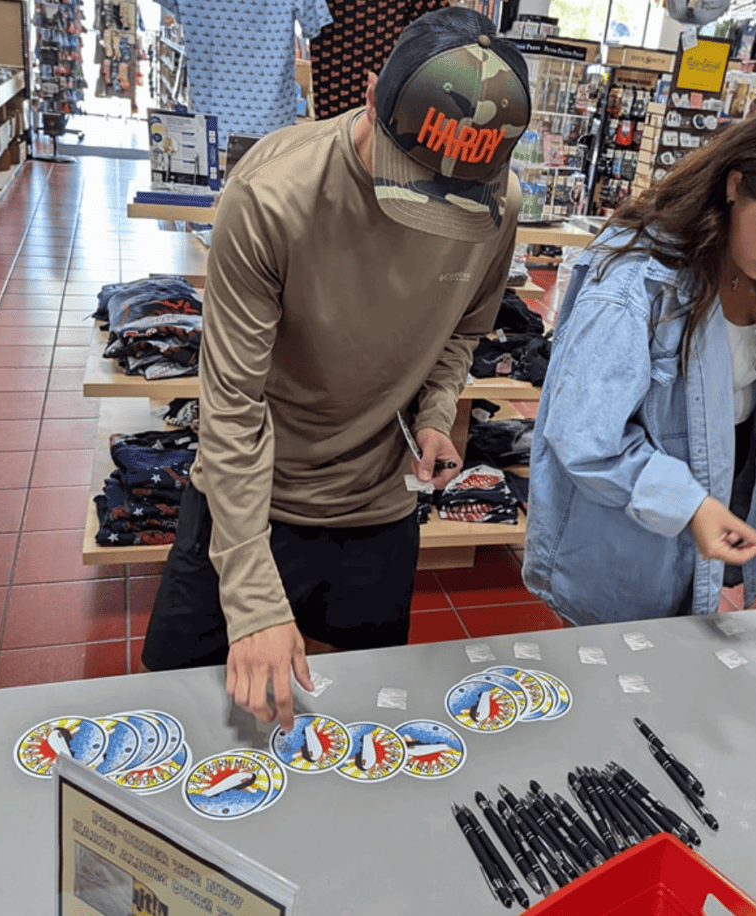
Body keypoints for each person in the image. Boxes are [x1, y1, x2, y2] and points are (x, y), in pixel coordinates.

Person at [141, 7, 532, 728]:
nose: (425, 211)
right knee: (176, 717)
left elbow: (464, 330)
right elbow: (230, 403)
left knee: (363, 728)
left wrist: (435, 415)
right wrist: (254, 594)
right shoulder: (274, 194)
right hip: (247, 502)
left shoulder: (497, 205)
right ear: (371, 87)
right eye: (409, 174)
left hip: (376, 509)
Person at [523, 98, 756, 625]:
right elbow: (585, 436)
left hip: (696, 538)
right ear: (735, 184)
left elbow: (732, 353)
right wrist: (689, 505)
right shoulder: (636, 280)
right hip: (619, 552)